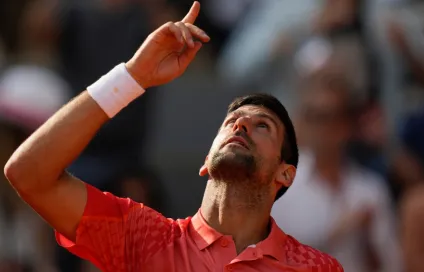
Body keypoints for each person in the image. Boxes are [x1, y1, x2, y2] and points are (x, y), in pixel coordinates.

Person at [4, 2, 343, 271]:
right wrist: (132, 76)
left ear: (285, 173)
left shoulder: (317, 269)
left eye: (262, 126)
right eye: (231, 122)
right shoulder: (143, 238)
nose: (240, 126)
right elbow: (28, 173)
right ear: (206, 162)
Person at [272, 74, 401, 272]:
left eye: (329, 118)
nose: (321, 129)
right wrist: (333, 234)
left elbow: (392, 265)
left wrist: (368, 244)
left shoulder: (371, 190)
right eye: (313, 117)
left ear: (346, 125)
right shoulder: (278, 187)